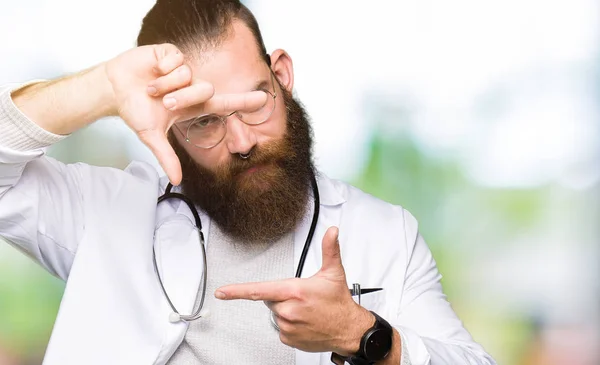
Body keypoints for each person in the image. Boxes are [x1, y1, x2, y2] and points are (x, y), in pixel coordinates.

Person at [0, 0, 496, 364]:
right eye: (204, 122)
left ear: (281, 75)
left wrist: (362, 333)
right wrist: (101, 89)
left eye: (255, 103)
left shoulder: (387, 234)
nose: (240, 141)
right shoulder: (103, 213)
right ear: (170, 128)